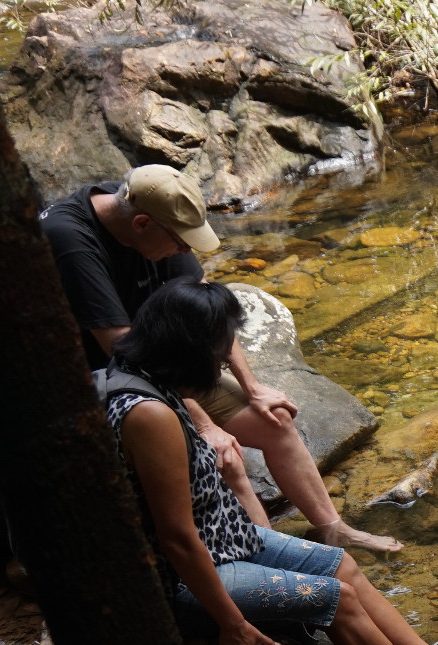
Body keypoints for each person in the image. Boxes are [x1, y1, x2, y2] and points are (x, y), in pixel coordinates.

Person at [102, 280, 438, 645]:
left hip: (223, 540)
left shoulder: (146, 374)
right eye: (220, 348)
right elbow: (176, 538)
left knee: (342, 566)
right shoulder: (149, 414)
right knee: (336, 598)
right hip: (177, 581)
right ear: (188, 348)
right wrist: (232, 623)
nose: (224, 358)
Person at [40, 164, 402, 554]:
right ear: (142, 224)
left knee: (274, 418)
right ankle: (281, 564)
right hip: (109, 380)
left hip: (163, 363)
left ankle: (332, 529)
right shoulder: (70, 239)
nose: (185, 251)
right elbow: (124, 351)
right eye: (181, 242)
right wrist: (203, 423)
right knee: (224, 456)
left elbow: (206, 314)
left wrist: (254, 387)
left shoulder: (145, 202)